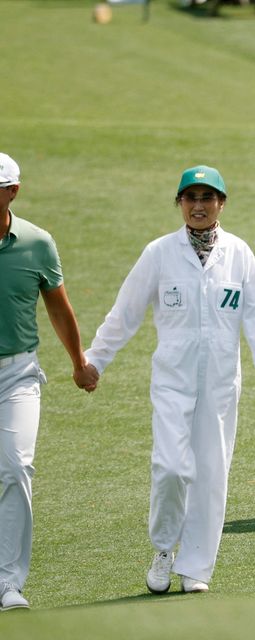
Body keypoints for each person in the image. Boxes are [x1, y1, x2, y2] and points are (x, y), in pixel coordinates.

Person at [84, 165, 255, 594]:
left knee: (212, 473)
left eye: (207, 198)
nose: (198, 206)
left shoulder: (239, 253)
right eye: (190, 198)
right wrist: (95, 361)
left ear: (221, 204)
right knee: (171, 468)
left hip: (219, 384)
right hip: (172, 381)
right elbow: (125, 313)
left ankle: (197, 567)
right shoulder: (159, 253)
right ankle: (162, 549)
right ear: (179, 203)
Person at [0, 152, 98, 612]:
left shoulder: (37, 243)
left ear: (12, 192)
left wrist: (79, 362)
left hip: (16, 374)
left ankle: (7, 583)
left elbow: (59, 307)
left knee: (16, 468)